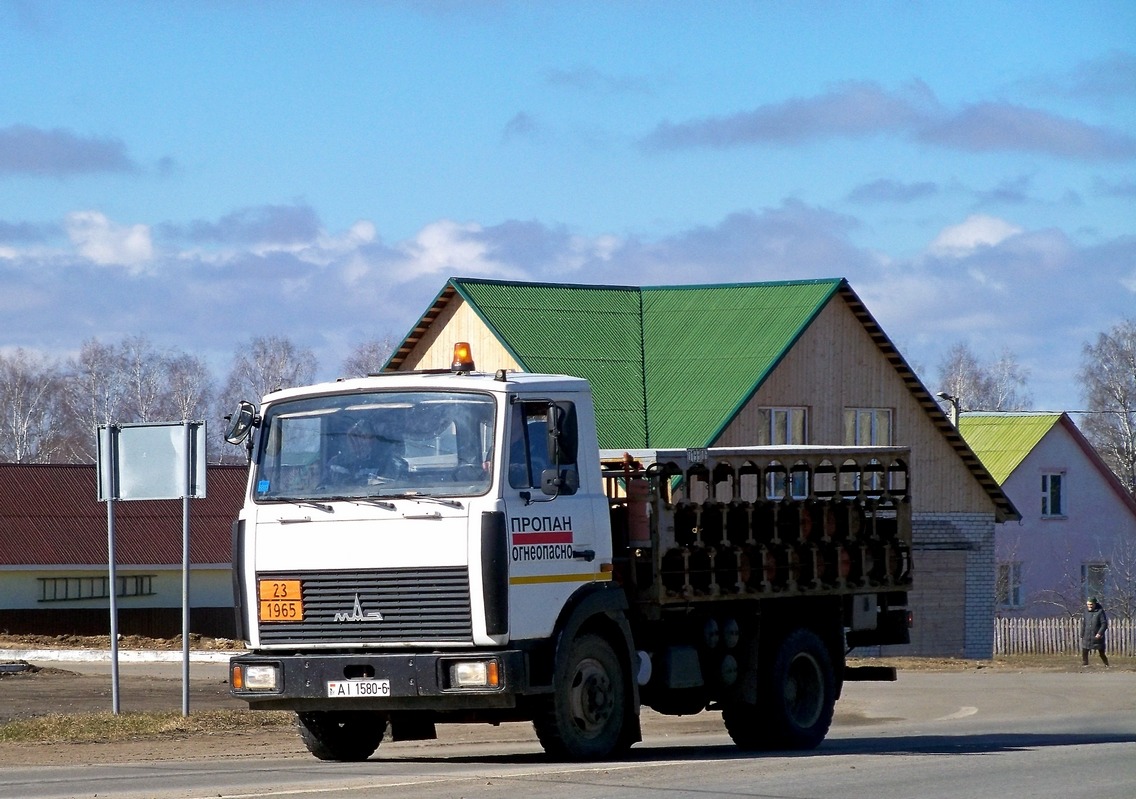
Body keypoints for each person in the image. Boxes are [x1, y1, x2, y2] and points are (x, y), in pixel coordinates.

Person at [1080, 596, 1110, 667]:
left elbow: (1104, 624)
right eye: (1088, 604)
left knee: (1101, 652)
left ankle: (1106, 664)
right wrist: (1082, 633)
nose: (1089, 606)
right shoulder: (1086, 612)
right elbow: (1084, 623)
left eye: (1091, 604)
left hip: (1097, 636)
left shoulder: (1100, 612)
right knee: (1085, 650)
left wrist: (1099, 633)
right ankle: (1085, 664)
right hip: (1087, 635)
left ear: (1094, 604)